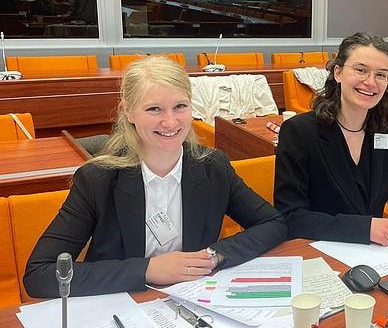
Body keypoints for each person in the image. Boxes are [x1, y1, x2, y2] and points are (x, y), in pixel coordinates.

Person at [24, 56, 286, 298]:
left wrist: (213, 256)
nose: (170, 122)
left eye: (180, 106)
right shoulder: (97, 180)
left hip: (193, 299)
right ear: (128, 112)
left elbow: (274, 224)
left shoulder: (213, 166)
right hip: (123, 303)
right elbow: (40, 275)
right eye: (154, 109)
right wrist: (146, 270)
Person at [275, 32, 388, 245]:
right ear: (338, 72)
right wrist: (364, 228)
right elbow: (291, 216)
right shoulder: (299, 132)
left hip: (378, 252)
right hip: (320, 251)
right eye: (361, 70)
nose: (370, 82)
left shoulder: (386, 128)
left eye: (381, 75)